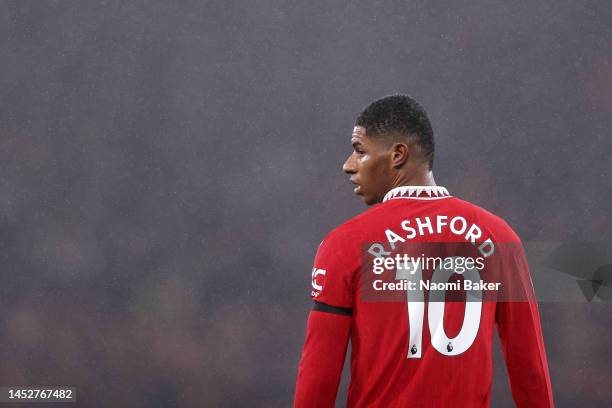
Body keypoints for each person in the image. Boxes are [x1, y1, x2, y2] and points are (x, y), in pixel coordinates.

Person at [294, 95, 554, 407]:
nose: (348, 165)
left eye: (360, 151)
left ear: (398, 155)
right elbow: (530, 372)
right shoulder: (499, 238)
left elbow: (318, 379)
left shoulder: (345, 245)